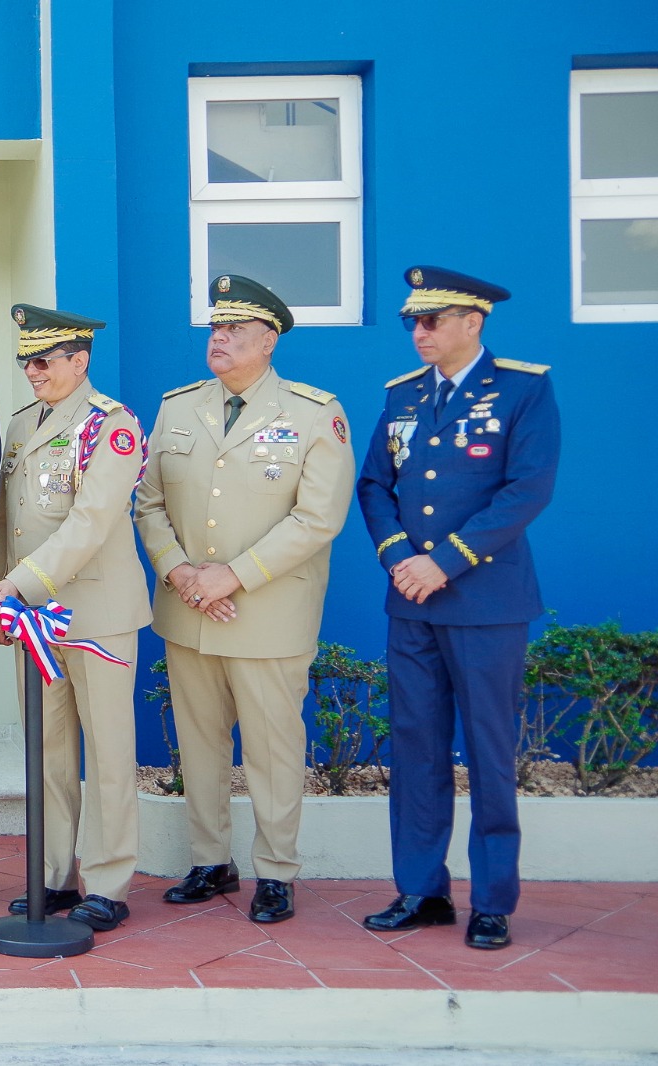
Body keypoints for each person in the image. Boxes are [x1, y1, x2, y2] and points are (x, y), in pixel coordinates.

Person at [135, 275, 354, 924]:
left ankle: (277, 871)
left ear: (269, 340)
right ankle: (211, 861)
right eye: (215, 328)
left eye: (235, 330)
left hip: (266, 614)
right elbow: (148, 503)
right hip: (188, 610)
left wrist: (232, 575)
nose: (219, 338)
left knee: (272, 749)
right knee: (200, 745)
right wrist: (180, 572)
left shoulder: (313, 413)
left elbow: (318, 518)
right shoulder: (178, 407)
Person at [357, 266, 560, 950]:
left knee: (490, 753)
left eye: (432, 320)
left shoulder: (523, 389)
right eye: (412, 321)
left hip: (485, 603)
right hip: (411, 602)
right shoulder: (404, 395)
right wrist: (398, 557)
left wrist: (444, 561)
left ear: (473, 322)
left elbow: (527, 489)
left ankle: (493, 900)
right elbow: (374, 485)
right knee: (416, 749)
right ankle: (421, 890)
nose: (419, 332)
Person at [0, 304, 152, 932]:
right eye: (27, 359)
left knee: (107, 751)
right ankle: (53, 875)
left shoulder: (112, 425)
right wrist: (4, 594)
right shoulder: (24, 423)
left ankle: (107, 880)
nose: (33, 370)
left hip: (97, 613)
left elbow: (91, 521)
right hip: (35, 616)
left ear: (80, 361)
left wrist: (18, 584)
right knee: (48, 750)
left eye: (45, 360)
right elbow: (7, 522)